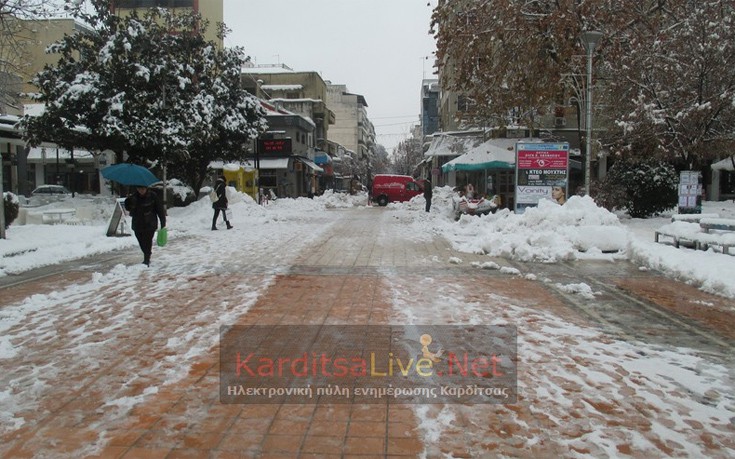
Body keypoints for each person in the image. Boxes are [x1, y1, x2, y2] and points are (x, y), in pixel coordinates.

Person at [124, 185, 166, 266]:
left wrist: (163, 222)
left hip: (150, 223)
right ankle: (147, 253)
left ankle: (146, 258)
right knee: (141, 240)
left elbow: (159, 209)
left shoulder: (153, 196)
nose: (141, 190)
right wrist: (127, 201)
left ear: (146, 188)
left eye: (143, 188)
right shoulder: (133, 197)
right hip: (137, 223)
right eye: (139, 189)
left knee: (147, 240)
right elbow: (129, 209)